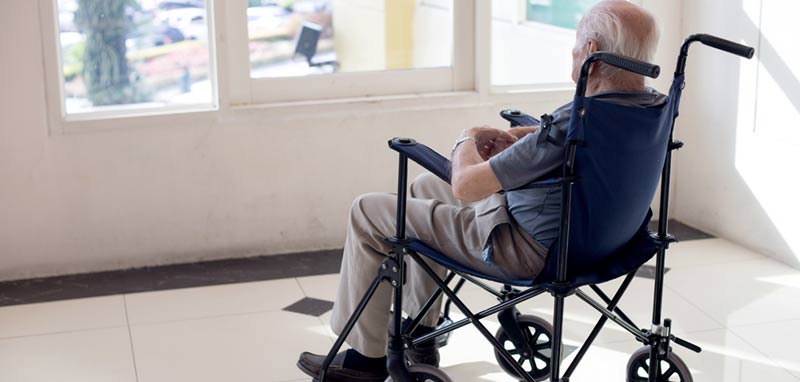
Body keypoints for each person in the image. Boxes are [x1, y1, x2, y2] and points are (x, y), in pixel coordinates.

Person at [297, 1, 664, 380]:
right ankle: (422, 332)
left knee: (368, 210)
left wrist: (467, 138)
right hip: (602, 242)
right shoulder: (649, 110)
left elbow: (466, 185)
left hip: (528, 249)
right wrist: (524, 141)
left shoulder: (581, 118)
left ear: (590, 51)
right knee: (426, 187)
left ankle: (365, 363)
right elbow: (568, 145)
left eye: (575, 43)